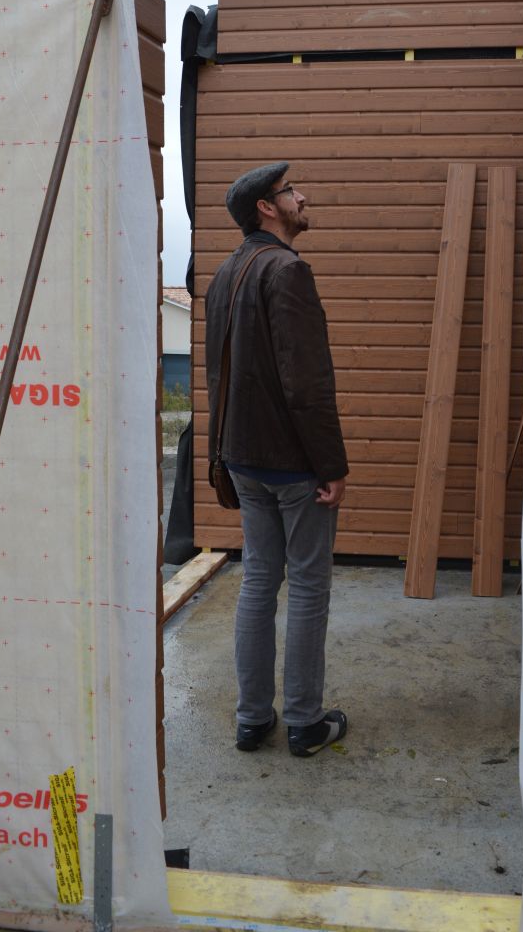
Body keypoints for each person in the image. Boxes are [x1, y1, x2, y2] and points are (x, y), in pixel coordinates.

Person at [205, 161, 349, 758]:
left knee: (260, 581)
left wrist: (221, 458)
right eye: (290, 191)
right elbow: (305, 383)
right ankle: (304, 723)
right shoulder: (286, 270)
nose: (301, 195)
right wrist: (331, 465)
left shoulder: (225, 273)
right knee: (309, 587)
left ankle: (251, 719)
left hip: (242, 458)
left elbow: (218, 375)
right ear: (268, 208)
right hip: (292, 465)